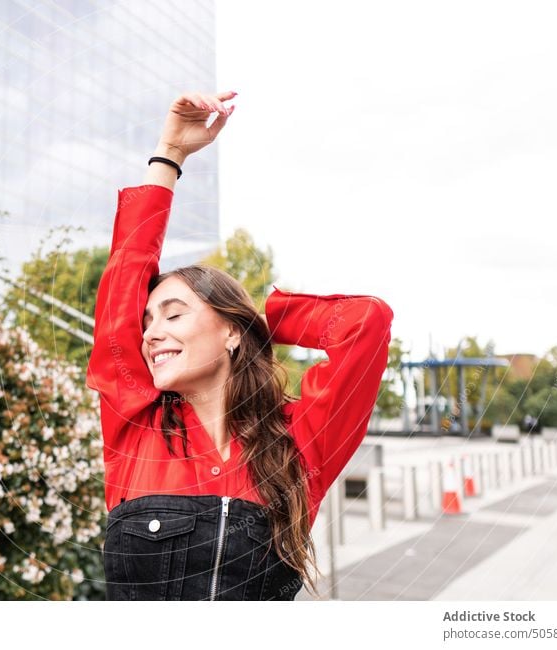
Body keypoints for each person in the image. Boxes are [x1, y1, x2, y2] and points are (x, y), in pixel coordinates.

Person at [86, 90, 394, 600]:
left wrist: (267, 319)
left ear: (230, 332)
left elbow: (366, 323)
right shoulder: (133, 426)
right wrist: (171, 151)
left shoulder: (300, 441)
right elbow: (123, 276)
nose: (150, 332)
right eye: (146, 321)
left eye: (175, 313)